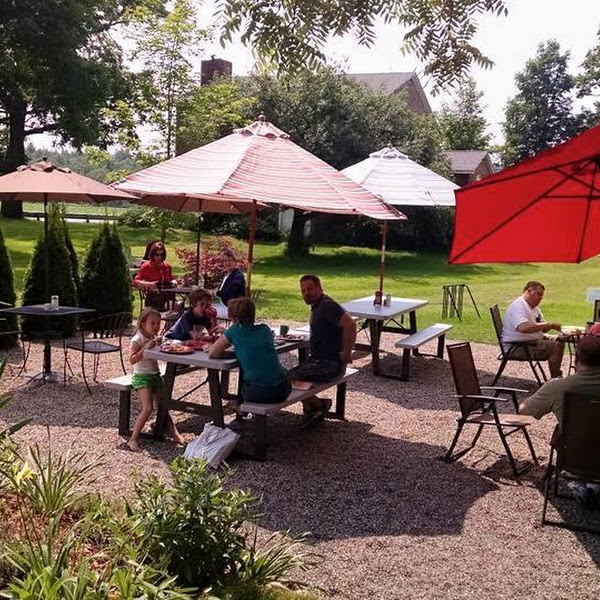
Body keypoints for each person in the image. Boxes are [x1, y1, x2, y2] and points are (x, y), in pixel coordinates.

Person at [519, 333, 600, 507]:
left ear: (577, 359)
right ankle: (592, 486)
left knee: (560, 433)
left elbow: (524, 411)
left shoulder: (558, 387)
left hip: (573, 459)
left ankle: (582, 482)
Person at [288, 274, 357, 427]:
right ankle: (312, 408)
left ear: (320, 288)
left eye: (310, 289)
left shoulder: (327, 306)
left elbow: (350, 324)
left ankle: (317, 406)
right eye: (303, 290)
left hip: (329, 364)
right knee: (292, 375)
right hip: (319, 361)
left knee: (287, 377)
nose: (306, 292)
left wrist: (346, 352)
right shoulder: (319, 306)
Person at [122, 307, 185, 452]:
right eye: (153, 323)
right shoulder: (137, 339)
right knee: (148, 408)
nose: (156, 327)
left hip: (155, 375)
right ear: (143, 324)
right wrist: (145, 348)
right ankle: (132, 439)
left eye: (158, 323)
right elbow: (132, 360)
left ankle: (174, 433)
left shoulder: (152, 338)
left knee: (164, 405)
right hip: (142, 377)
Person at [209, 297, 291, 404]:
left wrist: (234, 352)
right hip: (283, 389)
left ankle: (240, 409)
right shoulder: (265, 329)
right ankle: (241, 409)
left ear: (235, 318)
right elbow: (250, 342)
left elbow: (213, 353)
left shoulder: (233, 331)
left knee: (245, 387)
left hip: (260, 391)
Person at [501, 280, 565, 378]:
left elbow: (543, 329)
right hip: (516, 347)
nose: (541, 298)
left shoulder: (534, 308)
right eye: (538, 294)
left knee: (561, 340)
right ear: (528, 291)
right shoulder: (518, 306)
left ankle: (558, 376)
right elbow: (523, 328)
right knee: (554, 347)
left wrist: (555, 327)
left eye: (542, 295)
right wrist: (549, 325)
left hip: (531, 341)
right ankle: (555, 379)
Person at [132, 241, 178, 311]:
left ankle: (170, 321)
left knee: (179, 305)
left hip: (168, 297)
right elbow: (135, 282)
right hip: (154, 299)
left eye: (161, 255)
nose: (159, 257)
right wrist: (150, 284)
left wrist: (174, 282)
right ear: (153, 254)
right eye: (157, 255)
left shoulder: (167, 267)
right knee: (174, 307)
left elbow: (170, 280)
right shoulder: (146, 266)